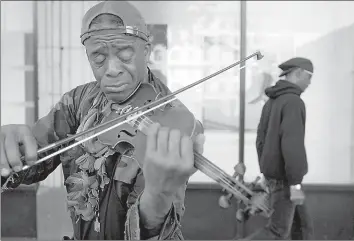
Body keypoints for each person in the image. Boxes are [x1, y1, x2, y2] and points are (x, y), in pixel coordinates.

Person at [0, 1, 205, 240]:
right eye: (98, 57)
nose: (112, 69)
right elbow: (34, 159)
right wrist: (9, 151)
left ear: (146, 51)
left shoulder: (175, 123)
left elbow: (157, 232)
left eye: (124, 53)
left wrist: (157, 200)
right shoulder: (78, 100)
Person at [253, 57, 315, 240]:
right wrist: (295, 184)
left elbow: (260, 141)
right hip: (286, 180)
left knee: (302, 228)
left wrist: (266, 172)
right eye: (309, 77)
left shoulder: (272, 102)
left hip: (275, 177)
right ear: (297, 73)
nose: (310, 82)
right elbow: (292, 145)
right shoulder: (294, 102)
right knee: (277, 232)